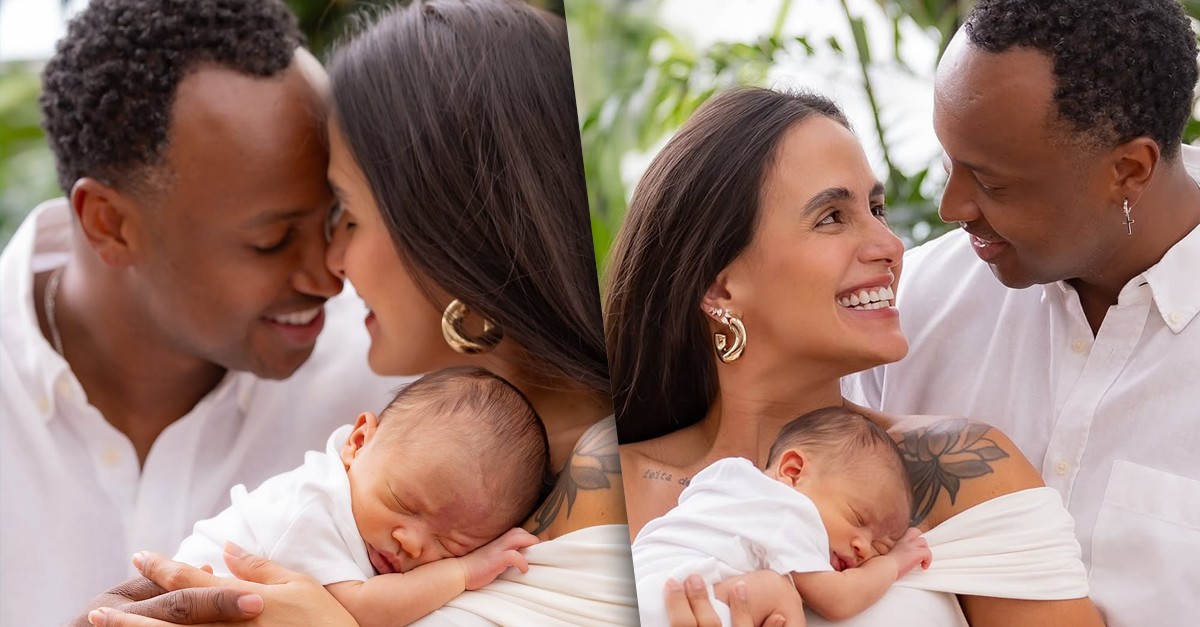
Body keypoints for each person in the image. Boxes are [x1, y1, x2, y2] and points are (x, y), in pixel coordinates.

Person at [84, 1, 636, 626]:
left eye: (346, 215)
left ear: (448, 238)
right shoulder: (413, 435)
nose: (333, 264)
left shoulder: (620, 486)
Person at [605, 87, 1101, 626]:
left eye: (876, 209)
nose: (890, 245)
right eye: (831, 217)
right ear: (720, 288)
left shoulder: (963, 468)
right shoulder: (603, 483)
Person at [0, 0, 406, 624]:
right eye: (270, 241)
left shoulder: (394, 384)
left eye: (335, 216)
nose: (332, 275)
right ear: (109, 224)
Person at [844, 1, 1200, 624]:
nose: (952, 207)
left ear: (1129, 169)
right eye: (950, 162)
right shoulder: (915, 306)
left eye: (992, 183)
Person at [153, 367, 547, 627]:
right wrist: (461, 571)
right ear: (358, 443)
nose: (411, 542)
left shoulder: (363, 512)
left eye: (450, 545)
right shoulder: (314, 505)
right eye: (403, 504)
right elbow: (359, 611)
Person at [633, 407, 933, 626]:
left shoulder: (727, 478)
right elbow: (838, 600)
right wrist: (892, 562)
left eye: (879, 547)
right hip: (674, 605)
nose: (864, 548)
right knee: (779, 590)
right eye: (857, 518)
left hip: (639, 588)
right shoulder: (790, 511)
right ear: (793, 472)